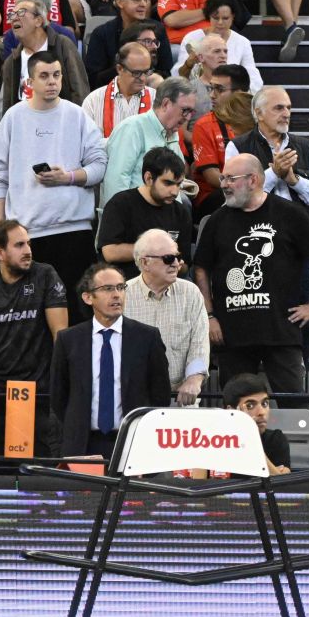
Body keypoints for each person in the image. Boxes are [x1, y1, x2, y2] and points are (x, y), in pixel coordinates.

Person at [192, 152, 309, 392]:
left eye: (231, 179)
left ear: (253, 180)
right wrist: (209, 316)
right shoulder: (217, 220)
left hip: (281, 333)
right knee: (235, 407)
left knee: (293, 404)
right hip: (233, 334)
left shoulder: (288, 213)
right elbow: (201, 269)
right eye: (223, 178)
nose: (224, 185)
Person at [0, 51, 105, 293]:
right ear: (29, 82)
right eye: (44, 76)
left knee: (77, 305)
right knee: (32, 308)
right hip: (27, 232)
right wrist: (2, 226)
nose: (52, 81)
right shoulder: (13, 117)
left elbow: (99, 167)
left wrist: (68, 177)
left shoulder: (77, 115)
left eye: (56, 75)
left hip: (74, 229)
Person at [0, 218, 69, 450]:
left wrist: (60, 382)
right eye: (19, 245)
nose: (28, 250)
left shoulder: (45, 275)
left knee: (37, 457)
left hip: (37, 387)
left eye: (28, 243)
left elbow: (61, 336)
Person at [46, 264, 171, 459]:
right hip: (82, 444)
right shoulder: (68, 340)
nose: (116, 295)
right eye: (108, 289)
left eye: (121, 287)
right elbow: (58, 396)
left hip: (133, 443)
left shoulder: (147, 337)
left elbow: (160, 394)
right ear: (88, 297)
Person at [124, 226, 208, 406]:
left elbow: (199, 343)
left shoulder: (191, 292)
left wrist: (194, 379)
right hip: (133, 397)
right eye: (168, 258)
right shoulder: (122, 295)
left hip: (180, 398)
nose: (176, 264)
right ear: (145, 263)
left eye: (178, 257)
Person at [228, 86, 309, 213]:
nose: (286, 114)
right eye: (279, 108)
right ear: (259, 114)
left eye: (288, 108)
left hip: (299, 223)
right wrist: (274, 173)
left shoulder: (306, 147)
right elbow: (237, 196)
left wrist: (294, 181)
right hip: (258, 222)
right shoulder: (238, 146)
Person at [96, 147, 193, 279]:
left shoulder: (181, 212)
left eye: (178, 184)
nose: (175, 192)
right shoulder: (120, 204)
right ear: (148, 178)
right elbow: (110, 252)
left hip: (165, 285)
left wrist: (176, 265)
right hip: (125, 284)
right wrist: (157, 251)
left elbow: (185, 265)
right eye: (168, 183)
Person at [101, 78, 197, 206]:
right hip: (133, 213)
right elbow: (116, 181)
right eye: (185, 110)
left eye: (191, 112)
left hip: (164, 212)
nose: (188, 118)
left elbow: (174, 182)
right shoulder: (133, 128)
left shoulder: (172, 133)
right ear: (166, 104)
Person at [222, 374, 294, 473]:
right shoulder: (215, 441)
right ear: (231, 411)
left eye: (265, 404)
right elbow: (201, 480)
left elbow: (281, 481)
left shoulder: (276, 439)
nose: (261, 412)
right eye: (250, 405)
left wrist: (251, 440)